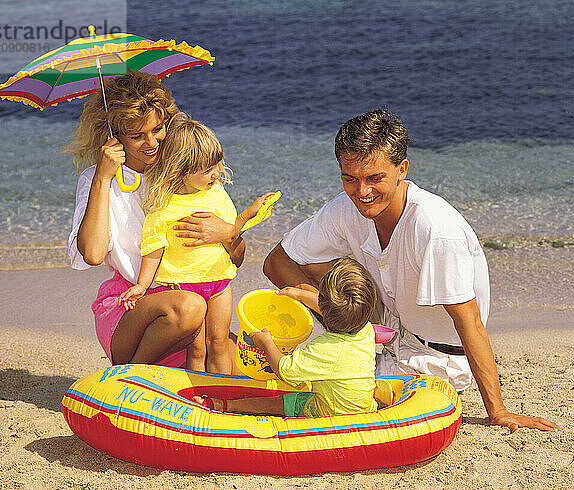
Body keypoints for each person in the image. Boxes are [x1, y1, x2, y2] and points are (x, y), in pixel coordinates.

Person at [262, 109, 560, 431]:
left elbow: (469, 320)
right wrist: (332, 308)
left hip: (435, 360)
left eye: (375, 178)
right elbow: (277, 262)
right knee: (291, 296)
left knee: (318, 393)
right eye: (351, 178)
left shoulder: (434, 228)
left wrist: (497, 411)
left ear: (402, 169)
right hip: (378, 334)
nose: (362, 192)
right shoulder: (345, 207)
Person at [67, 71, 241, 368]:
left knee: (239, 360)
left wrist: (227, 233)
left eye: (157, 129)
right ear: (114, 135)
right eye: (137, 135)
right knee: (189, 307)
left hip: (190, 317)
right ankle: (129, 375)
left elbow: (233, 261)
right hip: (131, 312)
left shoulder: (189, 172)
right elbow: (93, 254)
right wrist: (102, 176)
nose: (151, 143)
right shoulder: (98, 180)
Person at [118, 117, 274, 374]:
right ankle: (197, 394)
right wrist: (142, 285)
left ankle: (223, 393)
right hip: (185, 285)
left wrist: (248, 215)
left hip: (219, 282)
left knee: (219, 343)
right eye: (207, 170)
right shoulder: (164, 206)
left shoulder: (216, 193)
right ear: (181, 171)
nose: (216, 173)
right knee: (197, 349)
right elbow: (154, 248)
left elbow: (230, 229)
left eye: (217, 165)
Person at [194, 257, 383, 417]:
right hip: (361, 405)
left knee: (277, 403)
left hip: (330, 412)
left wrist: (266, 343)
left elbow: (284, 370)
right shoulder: (364, 329)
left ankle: (223, 406)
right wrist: (300, 294)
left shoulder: (326, 349)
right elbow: (332, 309)